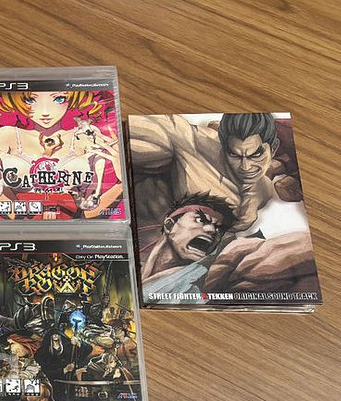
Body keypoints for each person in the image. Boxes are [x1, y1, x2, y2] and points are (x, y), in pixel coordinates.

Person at [130, 112, 318, 296]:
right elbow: (157, 129)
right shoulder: (190, 141)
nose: (246, 167)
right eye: (234, 155)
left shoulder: (263, 190)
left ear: (273, 148)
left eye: (256, 154)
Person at [0, 88, 123, 219]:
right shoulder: (7, 136)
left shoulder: (85, 135)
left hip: (73, 230)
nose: (45, 112)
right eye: (30, 100)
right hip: (21, 229)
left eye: (59, 99)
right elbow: (9, 208)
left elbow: (90, 209)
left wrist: (121, 183)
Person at [140, 193, 236, 292]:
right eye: (200, 220)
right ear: (169, 225)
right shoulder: (135, 268)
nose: (212, 230)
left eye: (219, 229)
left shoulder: (204, 281)